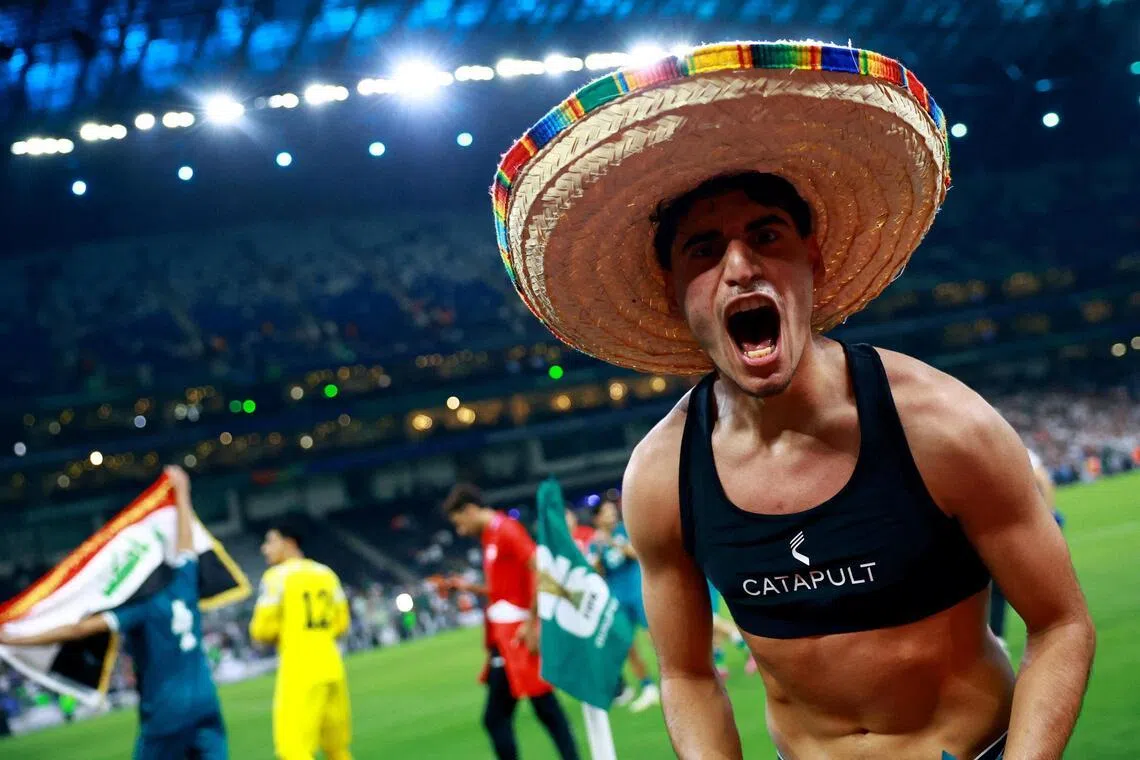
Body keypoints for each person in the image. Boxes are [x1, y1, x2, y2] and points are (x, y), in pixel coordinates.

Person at [492, 41, 1095, 760]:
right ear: (674, 293)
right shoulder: (661, 478)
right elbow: (686, 676)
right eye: (703, 250)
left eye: (766, 236)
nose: (739, 266)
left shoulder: (941, 426)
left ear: (812, 259)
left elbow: (1060, 624)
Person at [0, 465, 228, 759]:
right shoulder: (183, 584)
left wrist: (13, 638)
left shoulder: (142, 609)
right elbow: (186, 545)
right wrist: (183, 492)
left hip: (165, 711)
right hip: (205, 700)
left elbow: (79, 629)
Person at [442, 483, 580, 760]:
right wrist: (468, 588)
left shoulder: (506, 530)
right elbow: (504, 591)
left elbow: (540, 569)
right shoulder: (490, 535)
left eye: (459, 523)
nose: (460, 531)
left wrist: (532, 624)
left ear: (470, 510)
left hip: (517, 636)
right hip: (505, 637)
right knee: (536, 709)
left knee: (508, 715)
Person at [250, 519, 353, 760]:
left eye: (270, 541)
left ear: (289, 543)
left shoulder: (276, 577)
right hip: (332, 666)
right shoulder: (326, 573)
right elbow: (342, 623)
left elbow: (261, 631)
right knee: (337, 750)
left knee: (294, 750)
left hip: (299, 669)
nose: (265, 548)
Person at [990, 448, 1066, 648]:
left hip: (1004, 524)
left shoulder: (994, 445)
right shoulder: (1012, 445)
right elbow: (1043, 479)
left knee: (999, 580)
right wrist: (1049, 513)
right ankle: (1054, 624)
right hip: (1020, 523)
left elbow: (1042, 479)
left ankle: (998, 636)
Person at [591, 500, 660, 711]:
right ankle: (648, 687)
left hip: (638, 592)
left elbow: (637, 554)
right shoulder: (595, 542)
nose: (612, 516)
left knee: (656, 638)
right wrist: (597, 558)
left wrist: (613, 542)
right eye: (607, 513)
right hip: (617, 599)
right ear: (597, 518)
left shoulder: (625, 529)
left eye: (613, 512)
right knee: (627, 644)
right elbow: (598, 574)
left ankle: (677, 678)